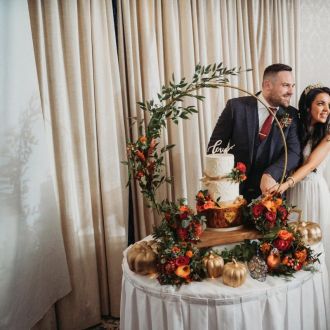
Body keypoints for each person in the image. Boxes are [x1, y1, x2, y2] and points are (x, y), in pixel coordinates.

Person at [208, 63, 301, 202]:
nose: (291, 91)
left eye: (292, 86)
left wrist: (270, 174)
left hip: (270, 197)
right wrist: (227, 179)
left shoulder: (291, 114)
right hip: (232, 195)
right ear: (267, 85)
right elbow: (215, 147)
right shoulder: (236, 107)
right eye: (286, 85)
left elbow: (294, 153)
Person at [269, 84, 330, 278]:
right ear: (307, 106)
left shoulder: (328, 136)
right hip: (293, 190)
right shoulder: (296, 128)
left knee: (311, 245)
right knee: (291, 242)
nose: (327, 109)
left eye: (329, 105)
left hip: (313, 191)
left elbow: (310, 165)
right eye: (321, 104)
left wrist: (285, 184)